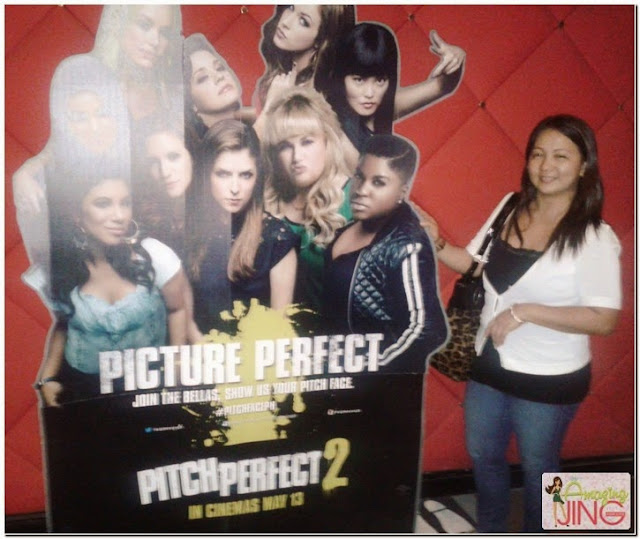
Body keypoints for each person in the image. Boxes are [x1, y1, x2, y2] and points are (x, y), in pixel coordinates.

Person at [420, 114, 622, 532]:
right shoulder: (510, 206)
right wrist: (436, 241)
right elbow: (476, 266)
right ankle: (492, 528)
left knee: (539, 467)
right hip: (488, 363)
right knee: (483, 454)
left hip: (549, 378)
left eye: (561, 156)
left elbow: (604, 319)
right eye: (538, 154)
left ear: (583, 165)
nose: (546, 166)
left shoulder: (594, 235)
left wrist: (524, 312)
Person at [34, 163, 191, 406]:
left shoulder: (155, 256)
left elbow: (177, 309)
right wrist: (48, 378)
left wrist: (176, 370)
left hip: (149, 387)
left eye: (125, 203)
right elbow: (63, 324)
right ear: (77, 215)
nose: (119, 216)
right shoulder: (60, 269)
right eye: (103, 204)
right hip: (80, 389)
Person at [323, 134, 448, 373]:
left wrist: (366, 369)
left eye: (378, 183)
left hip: (378, 385)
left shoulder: (407, 244)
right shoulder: (346, 229)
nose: (362, 190)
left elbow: (427, 330)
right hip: (336, 376)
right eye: (360, 177)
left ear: (402, 191)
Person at [186, 120, 298, 335]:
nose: (235, 188)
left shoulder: (277, 239)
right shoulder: (190, 231)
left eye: (246, 175)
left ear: (257, 179)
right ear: (205, 174)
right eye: (223, 174)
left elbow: (279, 331)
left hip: (253, 353)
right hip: (200, 351)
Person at [319, 22, 465, 171]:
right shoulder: (328, 123)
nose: (369, 93)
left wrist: (457, 57)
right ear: (341, 78)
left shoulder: (382, 108)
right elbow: (364, 174)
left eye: (380, 80)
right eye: (359, 80)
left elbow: (442, 86)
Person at [262, 87, 351, 313]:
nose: (297, 157)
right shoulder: (267, 203)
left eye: (307, 142)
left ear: (327, 141)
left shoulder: (355, 200)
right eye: (285, 146)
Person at [183, 33, 252, 153]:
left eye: (220, 68)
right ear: (191, 103)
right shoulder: (203, 152)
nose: (219, 77)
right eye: (203, 78)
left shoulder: (251, 122)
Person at [136, 120, 194, 260]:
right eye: (153, 162)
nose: (164, 171)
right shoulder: (143, 221)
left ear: (193, 157)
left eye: (173, 157)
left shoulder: (217, 213)